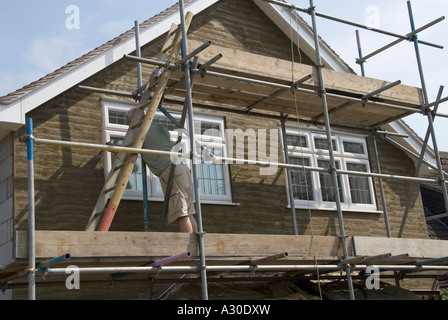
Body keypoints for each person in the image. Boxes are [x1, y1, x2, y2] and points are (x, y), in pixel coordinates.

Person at [126, 107, 198, 233]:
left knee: (180, 212)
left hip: (170, 171)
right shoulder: (158, 126)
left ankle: (188, 249)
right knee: (188, 210)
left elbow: (127, 157)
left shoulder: (139, 132)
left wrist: (113, 148)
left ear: (134, 121)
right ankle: (199, 246)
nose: (129, 126)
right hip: (182, 168)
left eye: (129, 122)